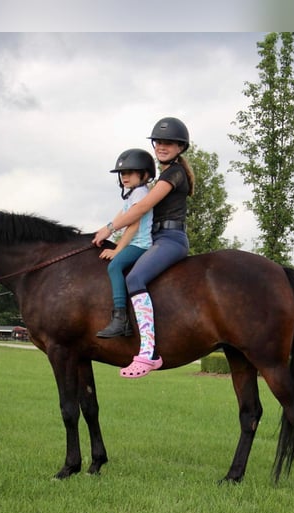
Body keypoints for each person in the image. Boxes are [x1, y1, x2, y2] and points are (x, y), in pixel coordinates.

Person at [92, 117, 194, 378]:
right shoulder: (164, 174)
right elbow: (133, 209)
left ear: (180, 147)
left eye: (168, 143)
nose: (162, 146)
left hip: (170, 239)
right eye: (158, 142)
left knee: (136, 277)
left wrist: (109, 228)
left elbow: (142, 207)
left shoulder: (174, 174)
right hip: (155, 238)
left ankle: (148, 352)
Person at [96, 148, 156, 338]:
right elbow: (121, 216)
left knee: (115, 267)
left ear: (144, 175)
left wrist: (117, 250)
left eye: (129, 173)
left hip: (140, 244)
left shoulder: (140, 193)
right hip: (133, 242)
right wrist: (103, 230)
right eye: (122, 173)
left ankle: (120, 318)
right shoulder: (133, 194)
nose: (124, 177)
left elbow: (133, 224)